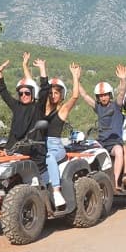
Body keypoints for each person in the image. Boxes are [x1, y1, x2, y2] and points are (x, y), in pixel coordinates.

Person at [79, 65, 126, 189]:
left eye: (105, 95)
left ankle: (115, 182)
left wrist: (123, 79)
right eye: (100, 96)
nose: (103, 97)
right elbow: (84, 95)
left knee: (119, 150)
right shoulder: (98, 107)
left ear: (110, 95)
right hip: (101, 142)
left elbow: (122, 93)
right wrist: (76, 79)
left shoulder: (116, 105)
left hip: (114, 142)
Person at [41, 62, 82, 207]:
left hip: (55, 147)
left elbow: (75, 96)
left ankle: (56, 191)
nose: (53, 96)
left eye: (56, 93)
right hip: (41, 144)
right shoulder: (41, 110)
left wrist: (75, 76)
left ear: (61, 95)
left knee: (49, 157)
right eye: (50, 93)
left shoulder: (62, 111)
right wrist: (26, 66)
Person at [0, 52, 49, 154]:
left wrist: (42, 69)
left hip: (31, 153)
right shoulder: (16, 106)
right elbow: (3, 91)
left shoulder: (38, 108)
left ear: (33, 93)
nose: (24, 95)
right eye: (21, 93)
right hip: (12, 150)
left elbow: (45, 90)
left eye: (27, 93)